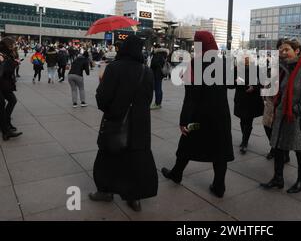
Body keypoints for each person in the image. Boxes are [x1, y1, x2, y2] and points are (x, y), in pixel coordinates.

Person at [161, 31, 234, 198]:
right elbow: (231, 86)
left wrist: (184, 120)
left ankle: (176, 174)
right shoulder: (224, 63)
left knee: (186, 144)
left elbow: (191, 98)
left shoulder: (194, 64)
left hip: (199, 116)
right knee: (220, 149)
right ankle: (219, 186)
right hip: (220, 116)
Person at [90, 35, 158, 212]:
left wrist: (110, 106)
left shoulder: (114, 68)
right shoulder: (146, 71)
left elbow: (102, 98)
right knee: (135, 160)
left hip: (117, 120)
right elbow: (148, 98)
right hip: (140, 124)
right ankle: (134, 197)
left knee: (107, 156)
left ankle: (105, 191)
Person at [260, 38, 301, 194]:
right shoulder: (281, 67)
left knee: (300, 150)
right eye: (281, 50)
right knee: (278, 148)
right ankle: (278, 178)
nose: (283, 52)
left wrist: (297, 109)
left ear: (297, 50)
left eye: (286, 49)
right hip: (281, 114)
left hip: (296, 116)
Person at [233, 55, 264, 154]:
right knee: (242, 120)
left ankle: (245, 141)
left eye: (247, 58)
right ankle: (244, 138)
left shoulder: (257, 68)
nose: (245, 60)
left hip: (252, 99)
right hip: (241, 98)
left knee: (248, 121)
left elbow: (263, 83)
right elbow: (230, 85)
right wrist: (234, 81)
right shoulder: (236, 69)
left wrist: (254, 87)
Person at [0, 38, 23, 141]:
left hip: (4, 82)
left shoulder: (7, 54)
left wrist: (14, 62)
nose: (14, 46)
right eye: (12, 44)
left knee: (9, 102)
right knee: (3, 104)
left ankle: (6, 127)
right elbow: (5, 70)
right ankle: (6, 130)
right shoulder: (2, 55)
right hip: (3, 83)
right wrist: (14, 64)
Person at [150, 44, 169, 110]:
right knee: (158, 88)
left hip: (156, 74)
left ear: (156, 48)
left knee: (158, 89)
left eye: (154, 48)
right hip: (159, 74)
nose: (153, 49)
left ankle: (157, 103)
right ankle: (158, 103)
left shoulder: (158, 55)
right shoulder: (163, 54)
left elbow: (154, 64)